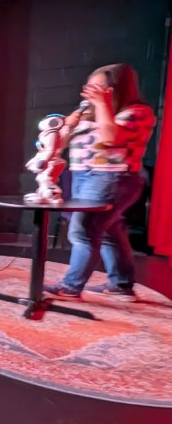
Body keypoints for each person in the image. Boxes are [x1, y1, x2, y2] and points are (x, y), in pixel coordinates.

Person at [45, 63, 156, 301]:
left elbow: (110, 138)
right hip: (83, 175)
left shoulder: (137, 112)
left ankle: (70, 287)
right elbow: (61, 143)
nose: (89, 90)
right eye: (89, 84)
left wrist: (102, 105)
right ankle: (121, 285)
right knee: (109, 231)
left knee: (83, 231)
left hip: (112, 177)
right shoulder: (91, 111)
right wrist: (67, 127)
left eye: (98, 86)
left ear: (115, 89)